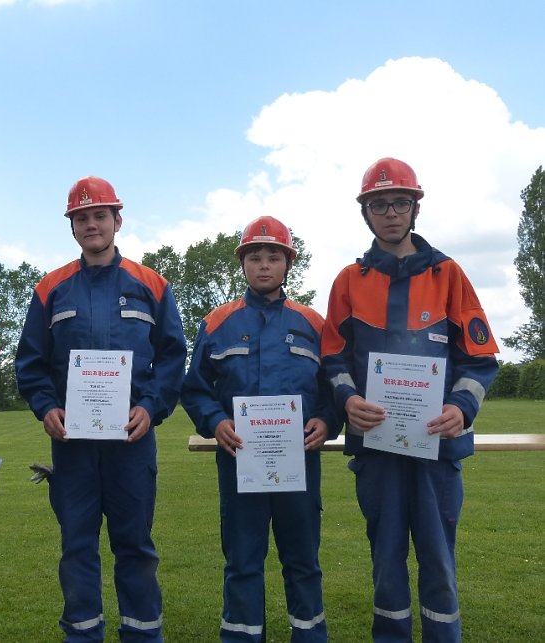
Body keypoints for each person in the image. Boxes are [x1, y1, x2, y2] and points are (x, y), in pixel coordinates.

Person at [321, 157, 499, 642]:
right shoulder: (348, 281)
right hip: (376, 448)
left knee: (439, 562)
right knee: (386, 562)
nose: (391, 212)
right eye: (379, 204)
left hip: (437, 450)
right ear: (366, 213)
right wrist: (347, 401)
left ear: (415, 207)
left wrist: (461, 407)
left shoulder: (449, 275)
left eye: (400, 201)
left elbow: (481, 359)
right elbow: (332, 359)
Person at [15, 176, 187, 642]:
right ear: (72, 227)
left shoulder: (151, 284)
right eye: (81, 217)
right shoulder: (50, 288)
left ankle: (143, 634)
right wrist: (46, 407)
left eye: (99, 215)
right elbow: (29, 362)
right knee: (77, 548)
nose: (91, 224)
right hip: (72, 446)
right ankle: (82, 635)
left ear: (117, 220)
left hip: (131, 442)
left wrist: (151, 407)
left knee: (135, 547)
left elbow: (173, 356)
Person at [181, 216, 339, 642]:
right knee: (243, 562)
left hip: (299, 467)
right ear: (243, 264)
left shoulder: (313, 323)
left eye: (274, 257)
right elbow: (194, 389)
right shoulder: (217, 323)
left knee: (303, 560)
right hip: (238, 465)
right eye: (255, 257)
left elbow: (336, 388)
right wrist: (216, 422)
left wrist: (328, 420)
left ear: (289, 263)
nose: (264, 265)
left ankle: (308, 635)